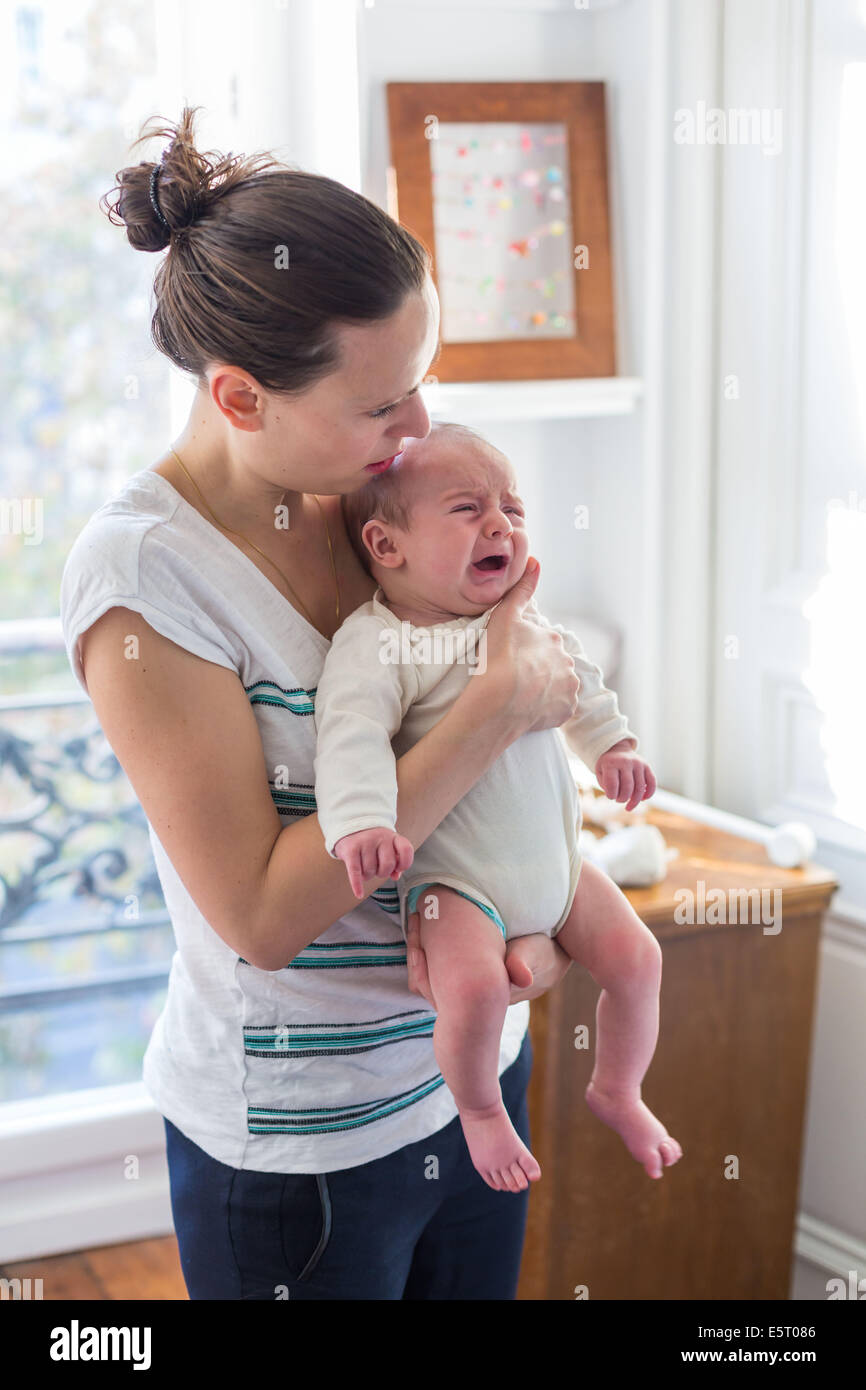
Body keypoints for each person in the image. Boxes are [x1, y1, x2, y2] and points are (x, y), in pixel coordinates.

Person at [58, 108, 581, 1301]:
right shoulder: (149, 579)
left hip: (473, 1074)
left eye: (423, 383)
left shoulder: (374, 498)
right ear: (240, 399)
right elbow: (262, 915)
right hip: (305, 1146)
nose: (420, 431)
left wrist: (537, 930)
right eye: (382, 402)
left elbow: (516, 766)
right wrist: (489, 713)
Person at [316, 424, 683, 1189]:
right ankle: (481, 1110)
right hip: (459, 887)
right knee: (478, 989)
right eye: (468, 508)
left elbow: (576, 679)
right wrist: (362, 823)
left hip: (559, 866)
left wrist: (613, 747)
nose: (501, 526)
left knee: (639, 959)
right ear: (388, 546)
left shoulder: (520, 625)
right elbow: (349, 734)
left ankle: (618, 1087)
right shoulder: (379, 644)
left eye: (513, 509)